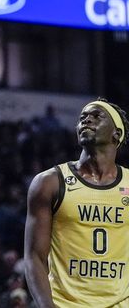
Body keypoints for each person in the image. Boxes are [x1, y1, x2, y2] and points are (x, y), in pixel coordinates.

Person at [25, 99, 129, 307]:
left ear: (116, 134)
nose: (86, 120)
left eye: (96, 116)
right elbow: (35, 257)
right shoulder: (50, 182)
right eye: (82, 117)